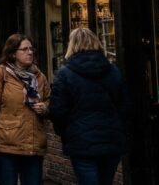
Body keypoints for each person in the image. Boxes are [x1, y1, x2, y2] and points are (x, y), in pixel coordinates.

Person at [47, 28, 129, 185]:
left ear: (72, 45)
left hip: (81, 141)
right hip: (111, 139)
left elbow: (57, 110)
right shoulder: (113, 71)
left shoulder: (65, 74)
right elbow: (125, 106)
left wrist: (65, 132)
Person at [0, 33, 50, 185]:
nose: (30, 52)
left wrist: (45, 107)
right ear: (12, 54)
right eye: (24, 49)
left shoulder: (39, 76)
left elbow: (49, 100)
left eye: (31, 49)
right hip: (6, 147)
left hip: (33, 145)